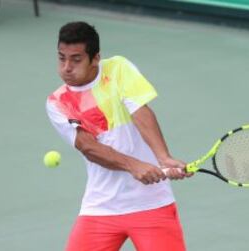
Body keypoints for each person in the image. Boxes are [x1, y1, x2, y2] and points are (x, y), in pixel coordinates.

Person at [46, 21, 191, 251]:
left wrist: (163, 158)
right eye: (61, 58)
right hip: (100, 207)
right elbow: (88, 147)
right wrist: (134, 166)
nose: (66, 67)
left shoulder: (118, 69)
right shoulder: (58, 102)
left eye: (76, 59)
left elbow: (140, 112)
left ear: (95, 58)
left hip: (151, 204)